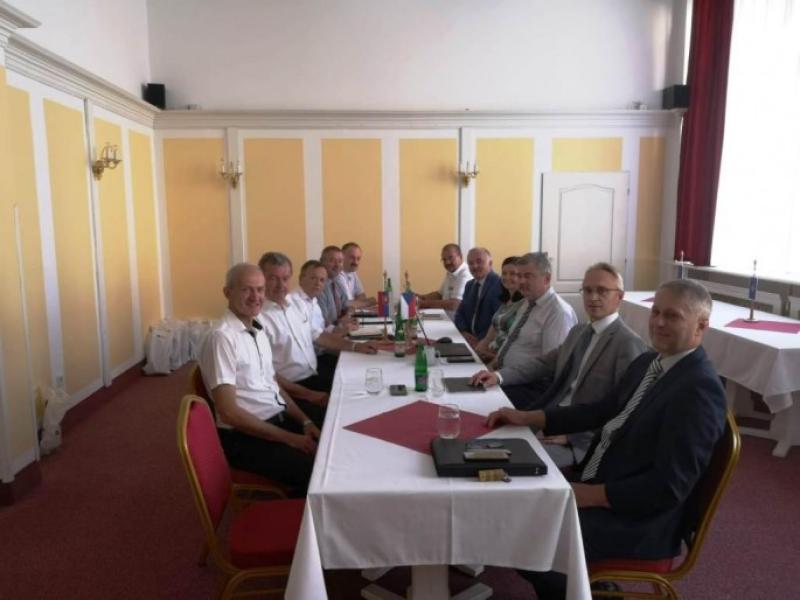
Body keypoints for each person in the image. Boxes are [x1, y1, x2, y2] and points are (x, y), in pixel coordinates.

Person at [487, 279, 727, 599]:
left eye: (672, 316)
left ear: (701, 326)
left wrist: (589, 495)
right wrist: (530, 418)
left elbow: (667, 487)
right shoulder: (649, 362)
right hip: (605, 481)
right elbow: (601, 410)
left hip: (639, 520)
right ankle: (591, 588)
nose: (658, 323)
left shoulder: (699, 390)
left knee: (523, 532)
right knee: (511, 496)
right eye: (656, 312)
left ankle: (586, 591)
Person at [473, 262, 647, 466]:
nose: (593, 297)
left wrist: (574, 437)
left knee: (504, 462)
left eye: (602, 291)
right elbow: (543, 363)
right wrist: (499, 376)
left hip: (579, 439)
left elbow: (625, 409)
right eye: (587, 290)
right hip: (549, 416)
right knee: (481, 439)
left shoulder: (628, 343)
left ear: (619, 296)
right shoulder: (578, 332)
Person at [198, 263, 322, 496]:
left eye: (260, 289)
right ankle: (294, 513)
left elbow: (273, 385)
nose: (256, 297)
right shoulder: (222, 338)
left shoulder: (257, 329)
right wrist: (291, 439)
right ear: (227, 292)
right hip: (245, 436)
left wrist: (305, 421)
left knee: (332, 434)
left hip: (276, 419)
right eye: (246, 289)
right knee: (319, 471)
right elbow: (229, 413)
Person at [260, 252, 378, 406]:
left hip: (313, 374)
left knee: (363, 383)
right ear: (261, 279)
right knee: (354, 400)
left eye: (285, 278)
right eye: (273, 278)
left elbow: (318, 336)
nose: (280, 285)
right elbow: (267, 374)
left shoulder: (296, 304)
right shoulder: (259, 318)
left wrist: (356, 346)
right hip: (293, 388)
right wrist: (310, 395)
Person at [485, 252, 577, 407]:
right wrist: (493, 369)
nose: (521, 281)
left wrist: (501, 376)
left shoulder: (558, 312)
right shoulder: (526, 303)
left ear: (546, 278)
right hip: (508, 376)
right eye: (519, 275)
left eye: (527, 276)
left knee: (479, 401)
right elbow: (511, 342)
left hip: (533, 387)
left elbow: (549, 368)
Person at [473, 256, 524, 364]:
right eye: (504, 273)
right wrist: (476, 352)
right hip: (489, 355)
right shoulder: (505, 302)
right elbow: (488, 337)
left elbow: (514, 348)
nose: (507, 277)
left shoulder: (524, 304)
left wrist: (491, 358)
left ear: (521, 277)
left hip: (501, 362)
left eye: (513, 274)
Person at [453, 247, 504, 344]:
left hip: (486, 343)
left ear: (490, 263)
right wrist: (464, 332)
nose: (475, 266)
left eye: (479, 261)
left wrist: (480, 340)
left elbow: (499, 321)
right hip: (467, 339)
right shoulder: (469, 285)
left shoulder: (499, 285)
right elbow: (460, 314)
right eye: (470, 263)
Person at [417, 243, 472, 318]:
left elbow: (454, 304)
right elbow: (439, 294)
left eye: (451, 258)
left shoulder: (465, 274)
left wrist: (422, 304)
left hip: (457, 323)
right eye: (444, 259)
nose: (447, 262)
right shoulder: (451, 272)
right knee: (418, 320)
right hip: (446, 318)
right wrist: (421, 297)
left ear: (460, 256)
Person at [318, 245, 356, 329]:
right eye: (332, 261)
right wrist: (341, 322)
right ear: (321, 262)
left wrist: (348, 314)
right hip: (328, 333)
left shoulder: (337, 283)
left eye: (340, 261)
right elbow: (325, 324)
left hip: (341, 329)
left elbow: (348, 306)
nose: (337, 265)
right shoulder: (318, 287)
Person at [339, 242, 377, 308]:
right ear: (342, 257)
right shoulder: (338, 275)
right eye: (352, 258)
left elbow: (362, 296)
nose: (355, 262)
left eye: (358, 258)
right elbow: (348, 304)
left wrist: (357, 303)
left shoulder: (352, 272)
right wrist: (370, 301)